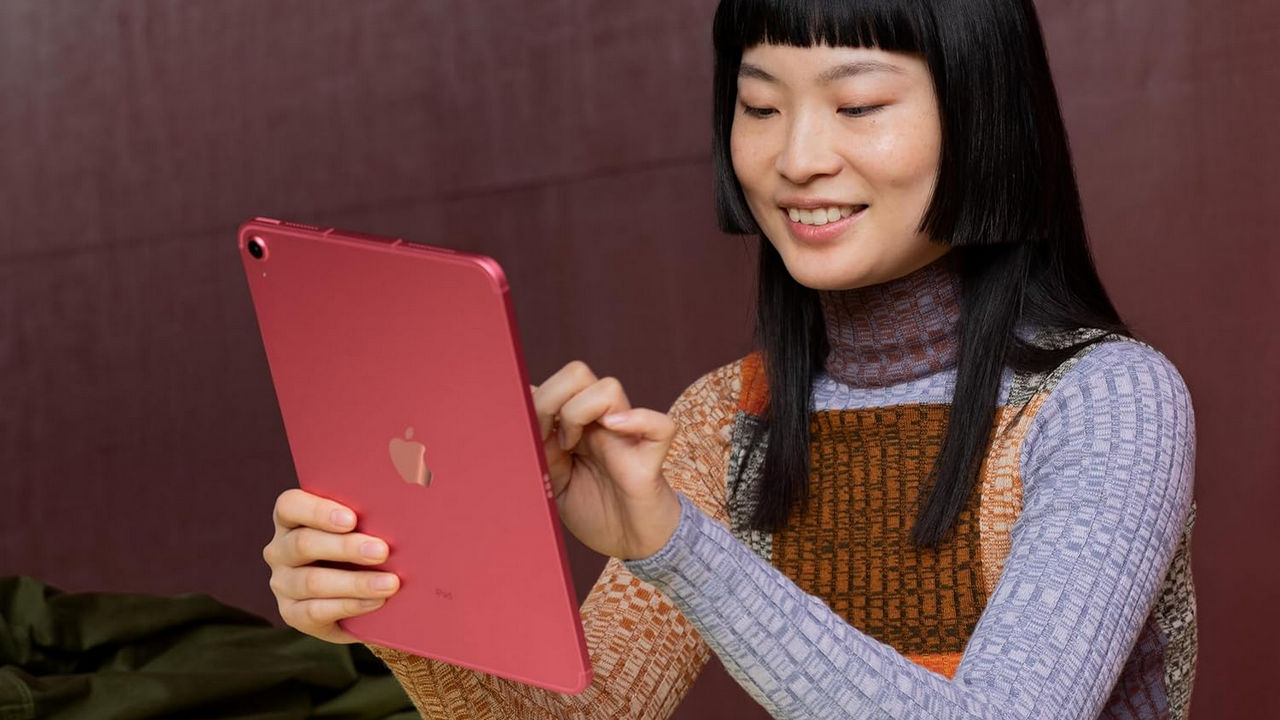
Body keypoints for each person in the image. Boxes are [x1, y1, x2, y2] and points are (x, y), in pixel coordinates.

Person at [261, 0, 1197, 717]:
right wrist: (401, 598)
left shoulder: (1107, 402)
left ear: (987, 117)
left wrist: (676, 545)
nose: (795, 157)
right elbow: (597, 714)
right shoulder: (727, 418)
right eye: (759, 105)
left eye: (858, 103)